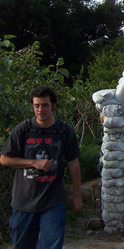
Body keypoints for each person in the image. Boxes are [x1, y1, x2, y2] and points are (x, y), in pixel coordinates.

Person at [0, 86, 82, 249]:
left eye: (44, 105)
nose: (40, 109)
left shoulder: (64, 131)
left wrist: (77, 195)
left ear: (53, 106)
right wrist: (33, 163)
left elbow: (73, 163)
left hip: (52, 199)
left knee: (51, 244)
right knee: (22, 244)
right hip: (24, 200)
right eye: (37, 105)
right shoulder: (23, 130)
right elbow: (4, 159)